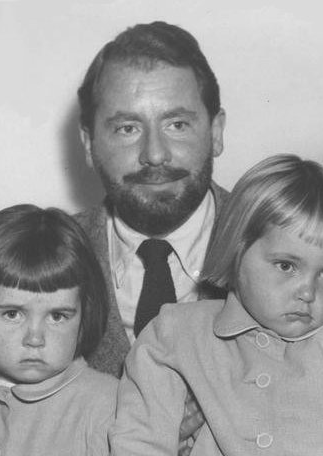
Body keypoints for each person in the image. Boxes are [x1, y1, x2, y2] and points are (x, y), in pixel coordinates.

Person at [110, 154, 323, 456]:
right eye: (287, 266)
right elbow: (139, 443)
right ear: (237, 249)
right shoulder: (173, 333)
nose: (309, 292)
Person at [75, 21, 229, 378]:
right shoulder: (44, 254)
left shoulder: (281, 243)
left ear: (216, 132)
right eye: (127, 128)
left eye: (177, 124)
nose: (155, 154)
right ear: (88, 144)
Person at [0, 205, 116, 456]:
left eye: (57, 316)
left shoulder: (112, 405)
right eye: (12, 314)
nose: (35, 338)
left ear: (84, 316)